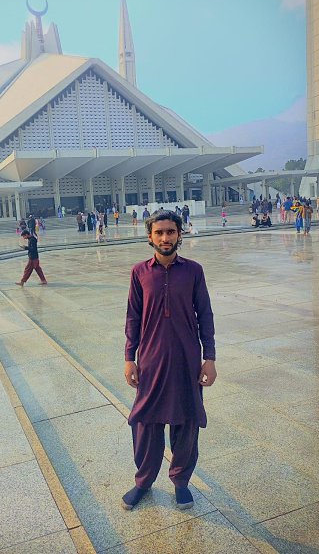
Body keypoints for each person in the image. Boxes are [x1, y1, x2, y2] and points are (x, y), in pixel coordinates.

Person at [122, 210, 216, 511]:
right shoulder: (140, 272)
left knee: (186, 421)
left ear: (179, 234)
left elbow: (205, 315)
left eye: (171, 232)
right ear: (150, 236)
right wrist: (129, 357)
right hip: (151, 359)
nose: (165, 237)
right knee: (146, 422)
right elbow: (133, 317)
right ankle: (143, 481)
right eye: (159, 232)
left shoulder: (193, 271)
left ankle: (180, 481)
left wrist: (209, 357)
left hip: (187, 358)